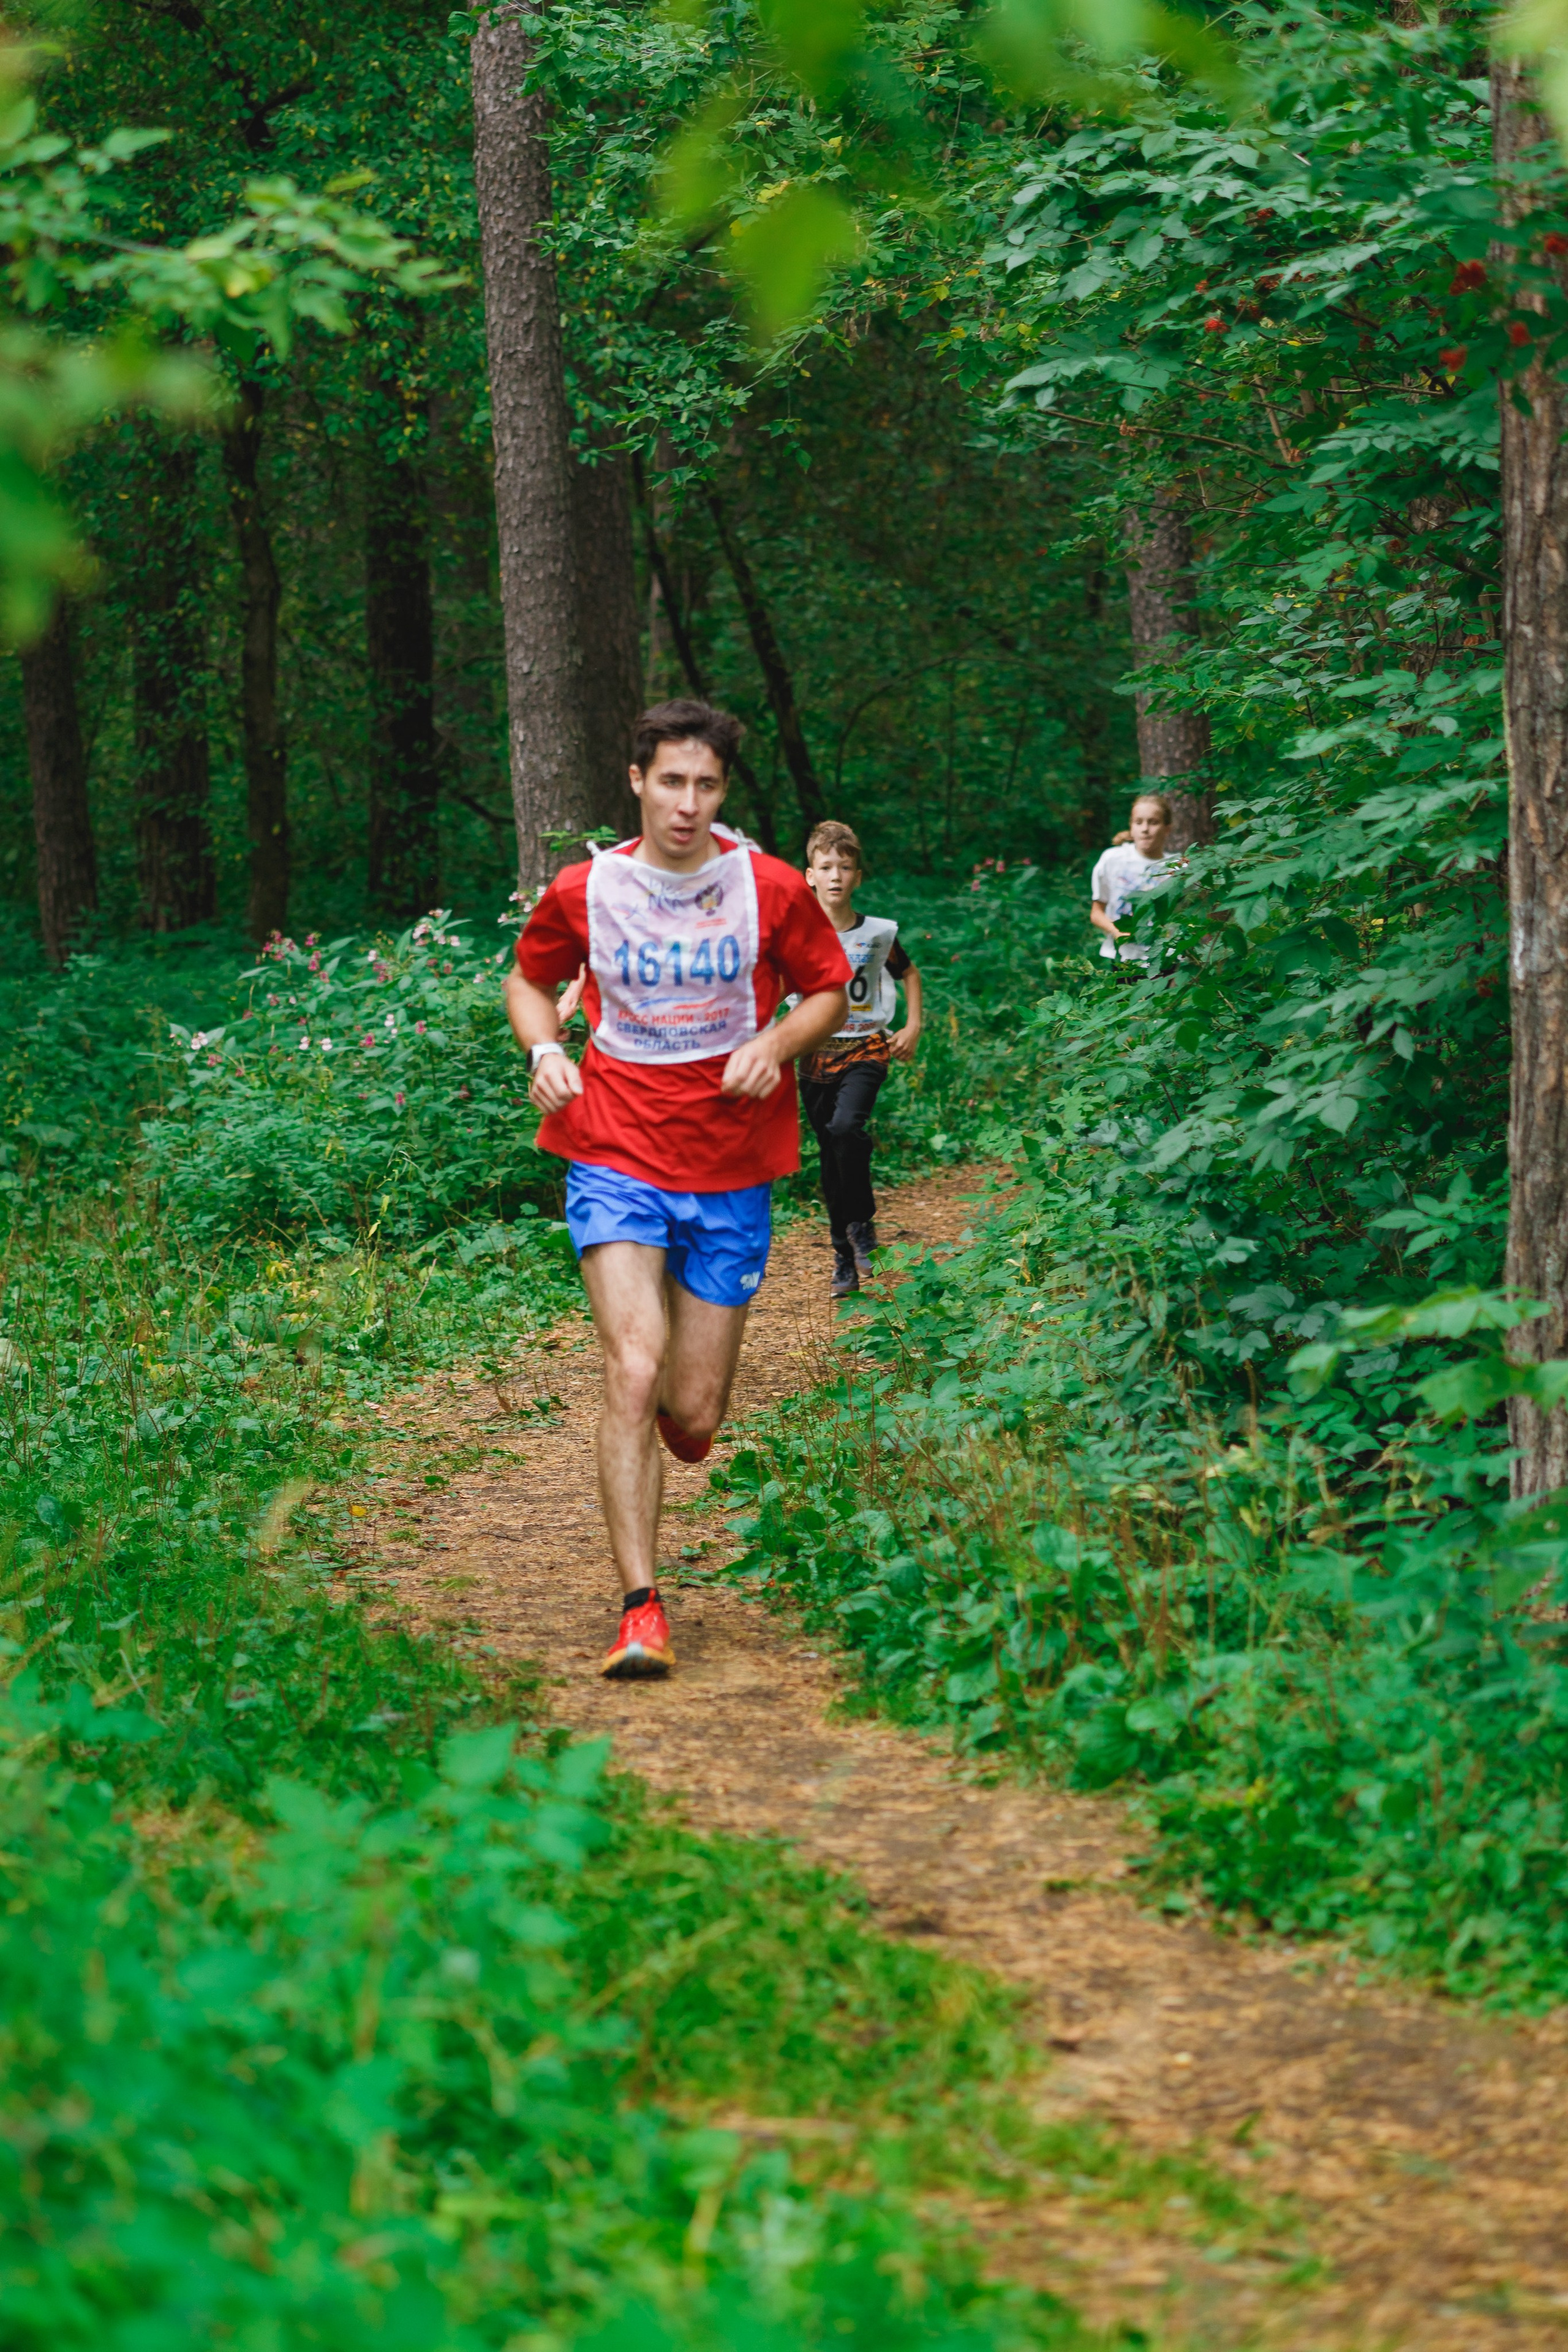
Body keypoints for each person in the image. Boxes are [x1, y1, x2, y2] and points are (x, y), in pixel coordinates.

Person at [504, 700, 850, 1681]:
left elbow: (827, 990)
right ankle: (640, 1608)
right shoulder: (587, 889)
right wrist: (544, 1046)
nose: (687, 804)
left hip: (732, 1163)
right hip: (613, 1146)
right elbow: (530, 980)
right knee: (632, 1367)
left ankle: (662, 1431)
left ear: (723, 792)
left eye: (705, 785)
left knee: (692, 1413)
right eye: (670, 782)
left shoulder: (770, 889)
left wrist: (776, 1043)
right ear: (636, 781)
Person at [798, 820, 923, 1300]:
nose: (836, 876)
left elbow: (909, 974)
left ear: (858, 876)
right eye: (826, 867)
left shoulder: (876, 934)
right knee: (831, 1153)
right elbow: (770, 986)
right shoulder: (797, 935)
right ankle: (843, 1255)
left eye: (845, 868)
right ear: (810, 875)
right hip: (813, 1053)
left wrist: (912, 1026)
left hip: (867, 1047)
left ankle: (863, 1222)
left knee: (846, 1127)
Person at [1090, 793, 1173, 966]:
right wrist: (1117, 931)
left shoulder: (1178, 867)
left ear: (1167, 829)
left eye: (1153, 822)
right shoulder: (1113, 860)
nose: (1145, 829)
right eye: (1139, 822)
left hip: (1166, 961)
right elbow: (1096, 912)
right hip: (1121, 959)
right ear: (1131, 826)